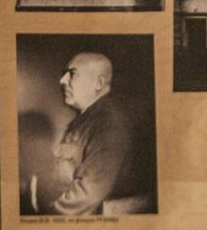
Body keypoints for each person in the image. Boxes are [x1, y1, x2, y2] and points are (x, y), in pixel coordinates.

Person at [32, 51, 148, 215]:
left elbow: (87, 196)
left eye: (72, 74)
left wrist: (44, 218)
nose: (63, 81)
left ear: (99, 84)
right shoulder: (81, 122)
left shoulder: (109, 124)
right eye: (64, 75)